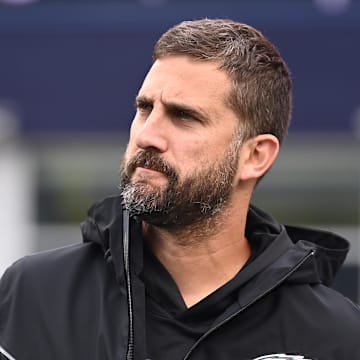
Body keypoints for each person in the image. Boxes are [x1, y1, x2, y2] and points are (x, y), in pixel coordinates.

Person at [0, 18, 359, 360]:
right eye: (144, 108)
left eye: (184, 116)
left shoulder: (334, 336)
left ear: (254, 156)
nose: (147, 135)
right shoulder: (36, 295)